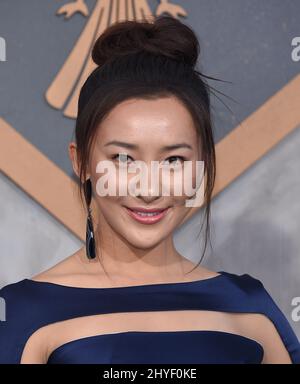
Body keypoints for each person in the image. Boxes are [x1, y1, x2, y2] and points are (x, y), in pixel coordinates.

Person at [0, 15, 299, 364]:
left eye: (173, 161)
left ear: (201, 166)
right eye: (124, 158)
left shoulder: (250, 309)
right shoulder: (23, 314)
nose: (149, 188)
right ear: (80, 162)